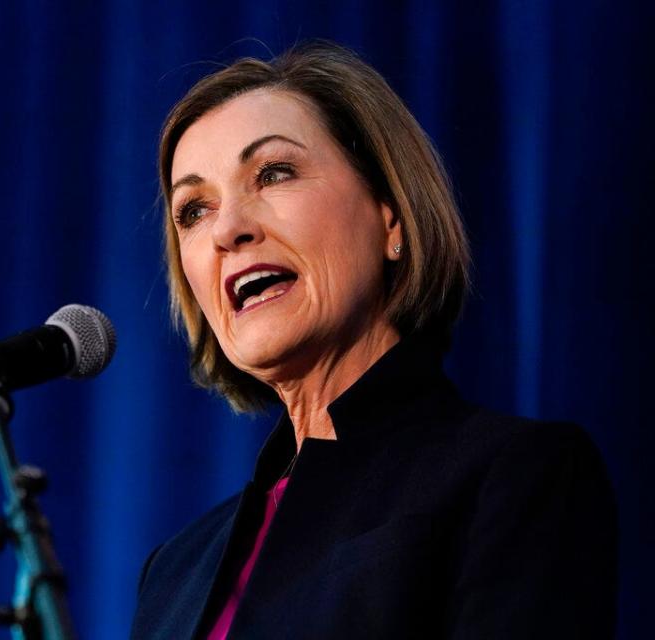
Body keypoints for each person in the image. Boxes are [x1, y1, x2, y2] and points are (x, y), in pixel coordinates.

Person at [130, 42, 617, 639]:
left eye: (273, 173)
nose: (229, 229)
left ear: (391, 216)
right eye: (193, 211)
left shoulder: (512, 479)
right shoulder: (174, 571)